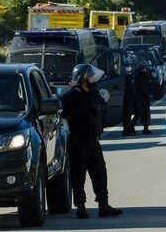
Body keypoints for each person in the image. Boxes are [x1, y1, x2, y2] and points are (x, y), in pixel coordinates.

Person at [61, 64, 123, 219]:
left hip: (93, 141)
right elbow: (68, 115)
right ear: (81, 78)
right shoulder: (71, 96)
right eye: (89, 76)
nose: (92, 78)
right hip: (79, 141)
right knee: (78, 175)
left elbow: (102, 106)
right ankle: (80, 207)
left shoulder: (93, 91)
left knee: (100, 173)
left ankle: (103, 205)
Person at [131, 61, 153, 135]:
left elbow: (151, 84)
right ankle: (131, 127)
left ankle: (146, 128)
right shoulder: (137, 75)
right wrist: (135, 97)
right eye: (142, 68)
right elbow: (134, 87)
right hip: (139, 97)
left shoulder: (148, 75)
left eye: (145, 68)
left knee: (147, 113)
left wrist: (151, 94)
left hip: (146, 96)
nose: (144, 70)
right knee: (138, 113)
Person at [122, 58, 137, 137]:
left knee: (137, 113)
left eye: (129, 66)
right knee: (127, 115)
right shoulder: (123, 76)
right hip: (126, 99)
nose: (128, 68)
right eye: (126, 67)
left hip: (133, 97)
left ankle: (131, 128)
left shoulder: (132, 75)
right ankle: (126, 130)